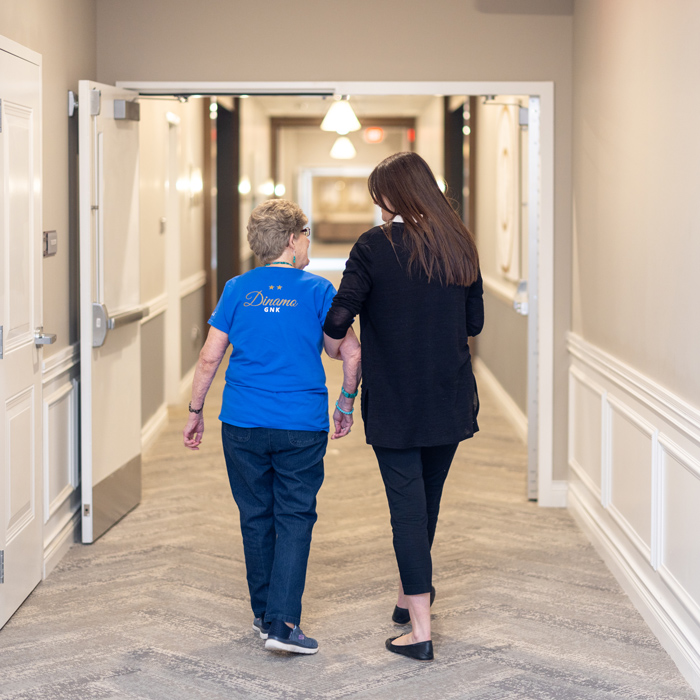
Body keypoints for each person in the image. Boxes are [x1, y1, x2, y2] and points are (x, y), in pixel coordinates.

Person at [323, 152, 484, 661]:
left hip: (396, 400)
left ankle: (420, 631)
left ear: (395, 194)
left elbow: (338, 318)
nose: (380, 206)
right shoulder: (460, 243)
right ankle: (407, 597)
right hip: (449, 395)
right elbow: (473, 323)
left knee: (407, 513)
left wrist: (339, 341)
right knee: (426, 503)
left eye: (381, 196)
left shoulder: (374, 246)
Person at [183, 199, 360, 656]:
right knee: (295, 516)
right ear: (291, 239)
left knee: (255, 516)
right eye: (305, 236)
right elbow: (349, 353)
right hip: (300, 425)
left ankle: (264, 615)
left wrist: (195, 409)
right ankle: (283, 623)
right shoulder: (320, 291)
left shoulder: (237, 288)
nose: (307, 244)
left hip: (242, 421)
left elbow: (209, 357)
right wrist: (346, 401)